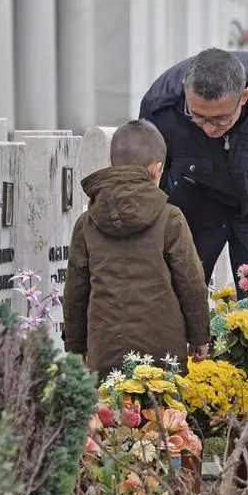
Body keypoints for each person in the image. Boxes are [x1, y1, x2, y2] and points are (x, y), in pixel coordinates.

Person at [138, 47, 248, 289]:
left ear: (244, 97)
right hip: (195, 200)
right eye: (197, 116)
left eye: (220, 119)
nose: (209, 129)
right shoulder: (161, 104)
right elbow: (151, 173)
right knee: (181, 299)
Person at [62, 119, 211, 379]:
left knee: (112, 414)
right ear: (157, 170)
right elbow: (191, 281)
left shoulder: (87, 223)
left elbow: (76, 289)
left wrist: (76, 344)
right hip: (164, 350)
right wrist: (199, 335)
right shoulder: (170, 218)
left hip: (105, 348)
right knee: (164, 416)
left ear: (111, 165)